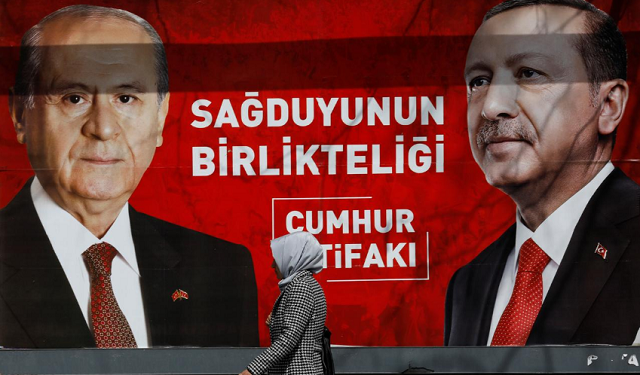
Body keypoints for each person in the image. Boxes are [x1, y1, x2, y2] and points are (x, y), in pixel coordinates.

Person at [0, 5, 258, 348]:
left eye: (126, 98)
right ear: (20, 115)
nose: (103, 128)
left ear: (160, 118)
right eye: (73, 98)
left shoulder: (222, 271)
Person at [444, 0, 640, 346]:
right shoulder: (467, 284)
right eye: (479, 81)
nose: (491, 107)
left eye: (529, 73)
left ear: (608, 105)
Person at [240, 231, 327, 375]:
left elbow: (289, 338)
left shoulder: (301, 287)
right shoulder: (307, 284)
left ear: (292, 258)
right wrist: (275, 321)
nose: (272, 265)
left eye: (277, 259)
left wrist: (251, 371)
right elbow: (303, 329)